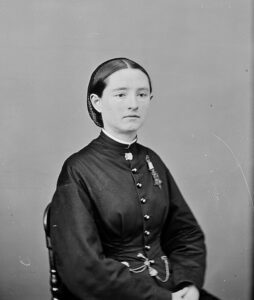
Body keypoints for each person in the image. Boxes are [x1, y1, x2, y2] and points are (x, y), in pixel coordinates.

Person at [49, 58, 220, 300]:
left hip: (171, 286)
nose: (133, 104)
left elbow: (186, 233)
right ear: (96, 102)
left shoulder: (153, 160)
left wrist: (188, 283)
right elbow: (83, 266)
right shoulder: (78, 169)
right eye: (120, 95)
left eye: (142, 95)